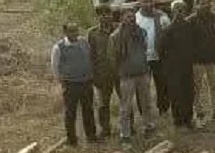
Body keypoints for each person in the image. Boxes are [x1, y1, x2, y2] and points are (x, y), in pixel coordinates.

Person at [110, 9, 157, 143]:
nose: (132, 19)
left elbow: (145, 48)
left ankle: (149, 127)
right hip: (127, 76)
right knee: (126, 107)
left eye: (133, 17)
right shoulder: (115, 37)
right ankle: (125, 134)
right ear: (122, 19)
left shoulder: (141, 32)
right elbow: (113, 58)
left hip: (142, 72)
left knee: (146, 103)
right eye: (128, 17)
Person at [51, 23, 98, 145]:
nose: (74, 33)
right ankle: (71, 139)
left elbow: (90, 58)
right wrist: (62, 82)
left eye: (76, 30)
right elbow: (55, 67)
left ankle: (91, 136)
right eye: (71, 31)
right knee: (70, 112)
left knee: (88, 110)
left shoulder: (83, 42)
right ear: (65, 33)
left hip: (86, 82)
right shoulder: (59, 47)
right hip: (70, 84)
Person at [159, 0, 198, 129]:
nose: (180, 12)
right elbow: (161, 49)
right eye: (177, 10)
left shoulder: (190, 27)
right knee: (175, 93)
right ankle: (177, 119)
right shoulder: (168, 30)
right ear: (172, 12)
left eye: (182, 9)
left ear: (185, 11)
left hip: (187, 66)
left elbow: (195, 45)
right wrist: (168, 64)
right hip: (173, 68)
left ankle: (188, 119)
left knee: (188, 93)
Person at [190, 0, 215, 126]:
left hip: (212, 58)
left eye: (208, 3)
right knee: (197, 87)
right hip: (197, 60)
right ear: (196, 5)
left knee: (214, 86)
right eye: (203, 3)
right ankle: (198, 111)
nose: (206, 5)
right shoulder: (191, 21)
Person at [134, 0, 172, 112]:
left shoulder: (162, 16)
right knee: (142, 87)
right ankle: (144, 111)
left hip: (159, 56)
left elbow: (169, 34)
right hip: (142, 58)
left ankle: (163, 108)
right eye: (145, 1)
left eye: (150, 1)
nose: (148, 4)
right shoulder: (135, 18)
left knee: (162, 84)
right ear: (140, 3)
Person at [86, 8, 119, 136]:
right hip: (102, 74)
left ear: (112, 15)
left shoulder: (119, 28)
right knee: (103, 104)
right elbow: (89, 56)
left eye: (108, 14)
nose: (106, 17)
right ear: (98, 17)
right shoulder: (92, 33)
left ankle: (129, 127)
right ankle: (105, 129)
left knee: (125, 102)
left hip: (120, 72)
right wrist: (93, 75)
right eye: (102, 15)